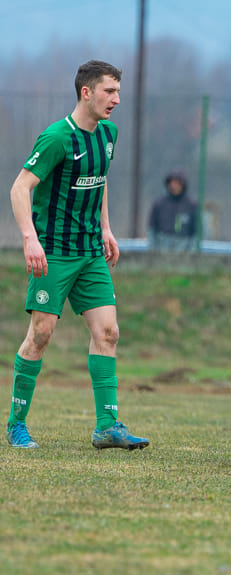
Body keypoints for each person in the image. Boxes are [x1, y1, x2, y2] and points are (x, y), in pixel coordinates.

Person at [6, 60, 149, 450]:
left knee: (108, 332)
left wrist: (105, 228)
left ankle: (107, 426)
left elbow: (98, 182)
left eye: (118, 91)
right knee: (41, 335)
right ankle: (16, 424)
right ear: (86, 92)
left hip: (90, 252)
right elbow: (21, 188)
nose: (116, 99)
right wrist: (29, 238)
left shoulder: (108, 135)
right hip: (52, 252)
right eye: (109, 91)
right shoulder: (57, 138)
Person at [148, 169, 197, 252]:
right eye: (172, 183)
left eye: (177, 183)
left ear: (183, 185)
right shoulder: (159, 204)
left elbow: (197, 233)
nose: (174, 186)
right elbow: (152, 230)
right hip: (162, 249)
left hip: (184, 251)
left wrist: (190, 252)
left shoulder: (192, 206)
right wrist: (154, 251)